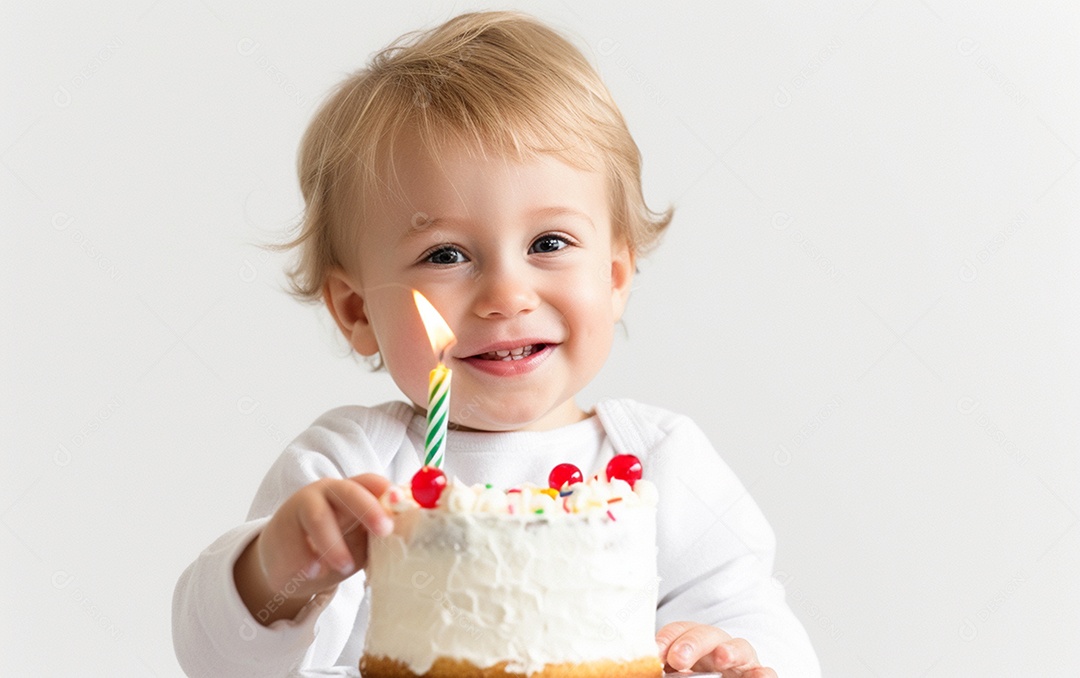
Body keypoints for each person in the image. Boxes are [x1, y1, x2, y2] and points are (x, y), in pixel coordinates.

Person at [172, 10, 820, 678]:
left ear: (615, 276)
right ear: (356, 309)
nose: (507, 295)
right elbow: (220, 662)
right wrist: (281, 574)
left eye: (549, 243)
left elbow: (758, 624)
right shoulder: (352, 473)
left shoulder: (656, 463)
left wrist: (727, 655)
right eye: (445, 254)